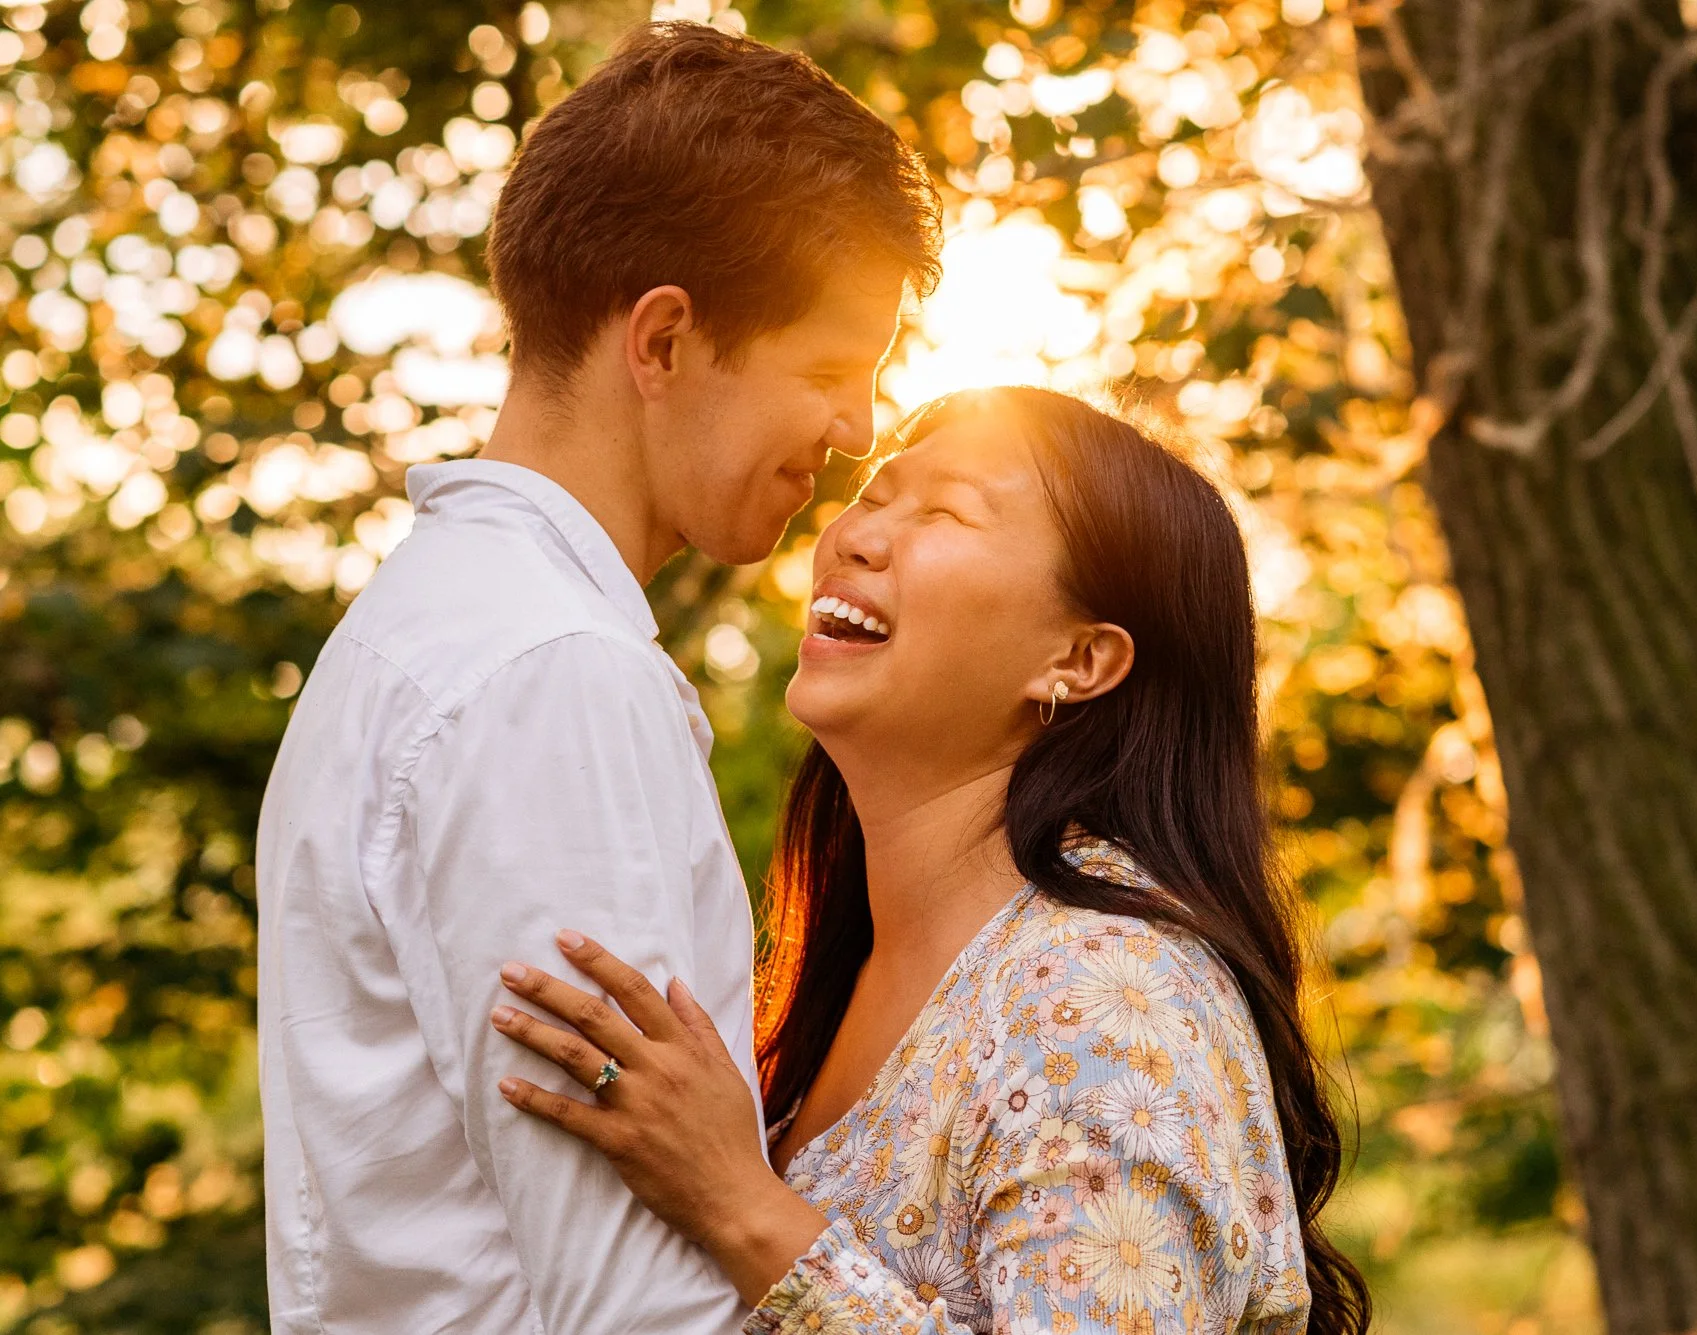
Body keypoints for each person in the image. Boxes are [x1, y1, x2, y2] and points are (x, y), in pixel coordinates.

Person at [253, 20, 940, 1333]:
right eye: (829, 369)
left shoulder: (418, 630)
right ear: (664, 342)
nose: (854, 431)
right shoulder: (554, 677)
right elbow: (640, 1304)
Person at [485, 387, 1373, 1335]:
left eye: (945, 511)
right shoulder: (846, 967)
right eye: (874, 495)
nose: (857, 536)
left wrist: (739, 1203)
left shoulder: (1114, 996)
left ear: (1078, 659)